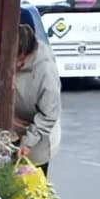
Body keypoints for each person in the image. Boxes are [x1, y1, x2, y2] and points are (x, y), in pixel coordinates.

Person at [14, 24, 61, 174]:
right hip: (14, 130)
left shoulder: (46, 71)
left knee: (29, 180)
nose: (14, 65)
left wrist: (27, 143)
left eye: (18, 60)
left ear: (27, 54)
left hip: (38, 136)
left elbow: (48, 115)